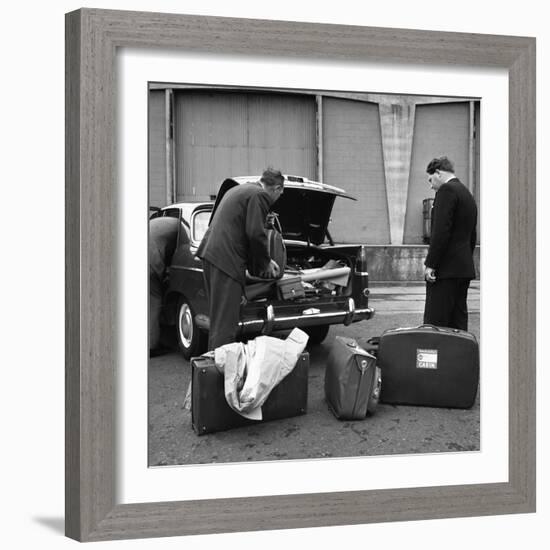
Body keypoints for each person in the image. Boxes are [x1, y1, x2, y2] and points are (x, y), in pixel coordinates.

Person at [197, 168, 285, 350]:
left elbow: (243, 231)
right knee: (226, 325)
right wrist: (265, 263)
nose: (278, 198)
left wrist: (254, 269)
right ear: (277, 188)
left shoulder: (239, 190)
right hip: (225, 260)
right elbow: (254, 234)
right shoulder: (260, 195)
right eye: (280, 193)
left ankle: (213, 368)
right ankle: (219, 372)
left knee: (219, 319)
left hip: (212, 255)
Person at [423, 156, 478, 331]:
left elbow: (440, 232)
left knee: (436, 323)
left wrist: (431, 264)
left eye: (430, 179)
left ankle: (439, 358)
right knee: (458, 321)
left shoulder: (446, 191)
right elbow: (472, 235)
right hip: (463, 268)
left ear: (438, 173)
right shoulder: (466, 194)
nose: (431, 185)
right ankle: (460, 356)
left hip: (445, 271)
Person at [149, 215, 179, 352]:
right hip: (150, 261)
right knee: (154, 302)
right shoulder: (179, 225)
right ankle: (152, 346)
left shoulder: (161, 222)